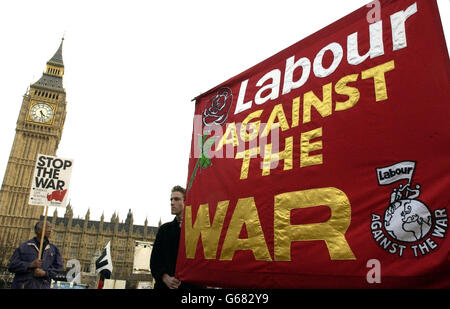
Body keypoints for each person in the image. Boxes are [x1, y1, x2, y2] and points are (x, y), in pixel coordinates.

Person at [150, 185, 202, 289]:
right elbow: (155, 261)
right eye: (171, 199)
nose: (172, 203)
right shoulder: (164, 230)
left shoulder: (199, 229)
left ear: (186, 202)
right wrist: (165, 277)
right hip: (165, 287)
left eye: (176, 199)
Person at [8, 221, 63, 289]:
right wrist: (29, 265)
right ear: (38, 230)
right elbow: (12, 265)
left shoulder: (54, 249)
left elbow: (58, 268)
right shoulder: (24, 246)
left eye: (50, 228)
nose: (50, 230)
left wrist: (45, 273)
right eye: (47, 227)